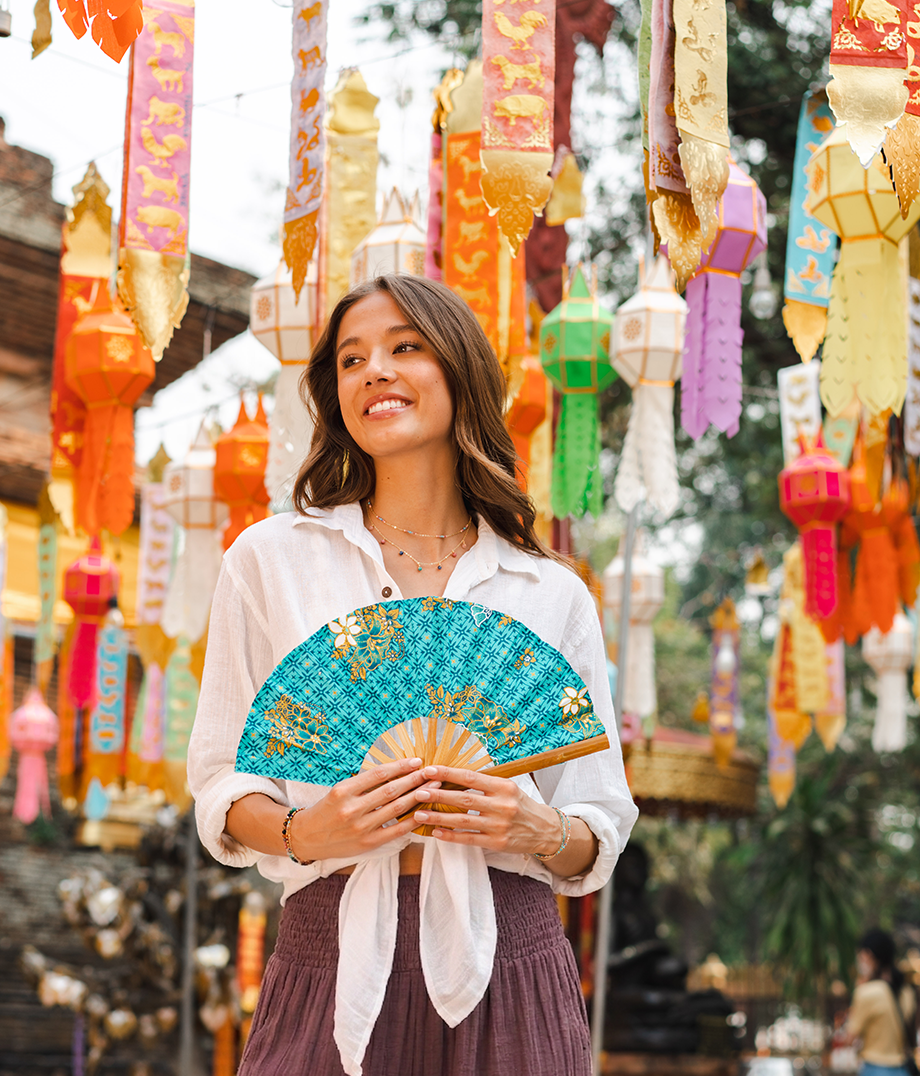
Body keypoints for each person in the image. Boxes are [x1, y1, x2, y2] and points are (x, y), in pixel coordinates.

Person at [187, 274, 638, 1076]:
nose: (374, 372)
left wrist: (536, 828)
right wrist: (304, 832)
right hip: (330, 941)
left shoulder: (550, 592)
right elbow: (222, 776)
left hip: (512, 953)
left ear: (459, 371)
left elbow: (596, 822)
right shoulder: (271, 560)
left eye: (405, 348)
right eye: (351, 360)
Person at [842, 928, 917, 1076]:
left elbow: (849, 1038)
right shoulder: (906, 991)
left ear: (868, 955)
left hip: (874, 1069)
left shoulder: (867, 992)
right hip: (902, 1070)